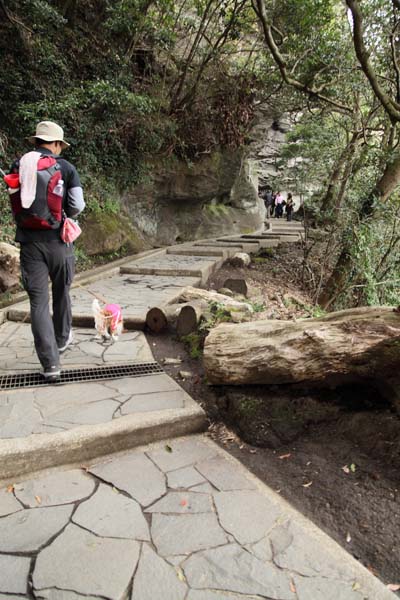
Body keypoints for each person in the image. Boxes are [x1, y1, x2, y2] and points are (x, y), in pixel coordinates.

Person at [10, 121, 85, 381]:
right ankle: (62, 339)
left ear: (37, 141)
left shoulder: (20, 165)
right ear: (55, 144)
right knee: (62, 291)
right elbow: (76, 206)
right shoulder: (66, 167)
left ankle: (50, 365)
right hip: (59, 243)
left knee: (38, 304)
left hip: (30, 244)